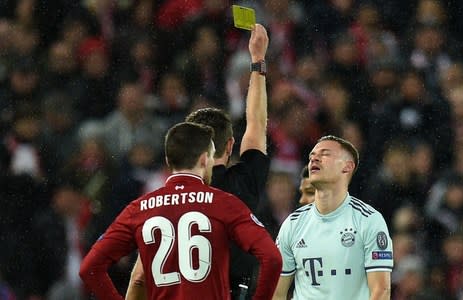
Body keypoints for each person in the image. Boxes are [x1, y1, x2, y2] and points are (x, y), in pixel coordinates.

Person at [126, 23, 270, 300]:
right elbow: (256, 124)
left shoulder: (163, 200)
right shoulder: (242, 185)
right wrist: (258, 61)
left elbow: (138, 278)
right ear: (229, 145)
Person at [79, 122, 282, 300]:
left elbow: (90, 268)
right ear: (204, 159)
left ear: (169, 160)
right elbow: (271, 258)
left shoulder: (139, 208)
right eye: (211, 157)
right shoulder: (225, 204)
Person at [273, 135, 393, 300]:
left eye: (325, 154)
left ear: (347, 167)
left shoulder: (369, 221)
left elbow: (381, 291)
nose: (314, 158)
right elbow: (276, 292)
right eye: (312, 156)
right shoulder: (292, 224)